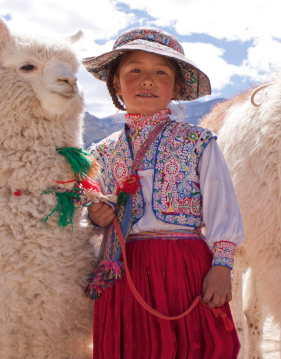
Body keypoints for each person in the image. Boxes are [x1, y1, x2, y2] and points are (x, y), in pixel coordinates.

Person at [81, 28, 244, 359]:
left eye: (160, 72)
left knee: (196, 346)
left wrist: (222, 265)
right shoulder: (101, 153)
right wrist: (95, 216)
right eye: (135, 70)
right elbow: (91, 210)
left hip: (186, 266)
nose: (147, 80)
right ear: (116, 82)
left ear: (176, 85)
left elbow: (221, 205)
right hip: (126, 269)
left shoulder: (198, 142)